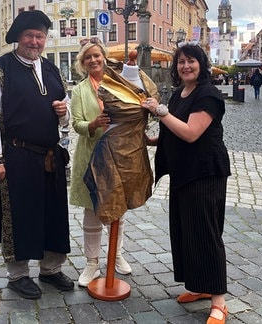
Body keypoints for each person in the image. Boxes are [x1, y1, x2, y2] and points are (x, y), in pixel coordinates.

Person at [0, 10, 73, 300]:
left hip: (49, 156)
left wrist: (63, 112)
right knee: (19, 214)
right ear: (18, 37)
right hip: (16, 155)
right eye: (30, 35)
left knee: (53, 213)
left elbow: (66, 113)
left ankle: (50, 268)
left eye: (40, 36)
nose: (35, 41)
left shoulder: (52, 69)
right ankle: (18, 275)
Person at [141, 44, 231, 324]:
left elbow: (192, 133)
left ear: (202, 65)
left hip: (205, 173)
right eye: (181, 62)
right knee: (186, 231)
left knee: (206, 233)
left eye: (191, 61)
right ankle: (200, 286)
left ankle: (219, 301)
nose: (185, 66)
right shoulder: (180, 93)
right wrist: (152, 140)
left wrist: (159, 112)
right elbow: (175, 128)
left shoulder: (209, 95)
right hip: (183, 172)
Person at [70, 38, 159, 287]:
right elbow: (76, 124)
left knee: (118, 206)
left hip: (120, 155)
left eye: (97, 56)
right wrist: (93, 124)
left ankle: (116, 255)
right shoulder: (79, 91)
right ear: (83, 63)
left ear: (104, 57)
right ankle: (92, 263)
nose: (93, 60)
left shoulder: (120, 82)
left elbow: (133, 116)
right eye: (88, 57)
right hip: (92, 156)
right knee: (92, 210)